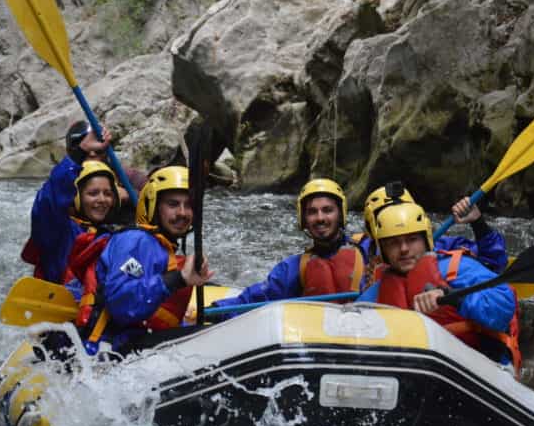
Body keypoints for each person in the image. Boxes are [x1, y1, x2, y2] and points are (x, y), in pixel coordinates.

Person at [358, 200, 522, 373]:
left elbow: (503, 309)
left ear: (426, 240)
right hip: (418, 371)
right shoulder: (374, 294)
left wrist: (453, 296)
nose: (404, 249)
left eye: (412, 240)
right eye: (393, 243)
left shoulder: (459, 268)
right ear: (383, 250)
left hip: (482, 366)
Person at [75, 165, 213, 351]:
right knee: (205, 339)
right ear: (153, 205)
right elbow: (121, 304)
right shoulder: (136, 240)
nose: (182, 213)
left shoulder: (163, 248)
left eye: (188, 205)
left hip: (137, 343)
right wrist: (178, 279)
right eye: (173, 204)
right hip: (110, 349)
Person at [209, 178, 367, 315]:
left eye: (328, 210)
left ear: (341, 214)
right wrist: (215, 310)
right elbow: (253, 300)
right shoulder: (294, 268)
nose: (320, 218)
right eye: (312, 212)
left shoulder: (368, 249)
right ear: (303, 219)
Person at [21, 122, 131, 283]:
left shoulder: (118, 227)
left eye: (107, 193)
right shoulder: (60, 229)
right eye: (93, 193)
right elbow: (49, 201)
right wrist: (79, 153)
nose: (101, 199)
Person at [358, 182, 507, 273]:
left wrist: (478, 223)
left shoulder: (441, 248)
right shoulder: (361, 253)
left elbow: (494, 263)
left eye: (411, 238)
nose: (404, 248)